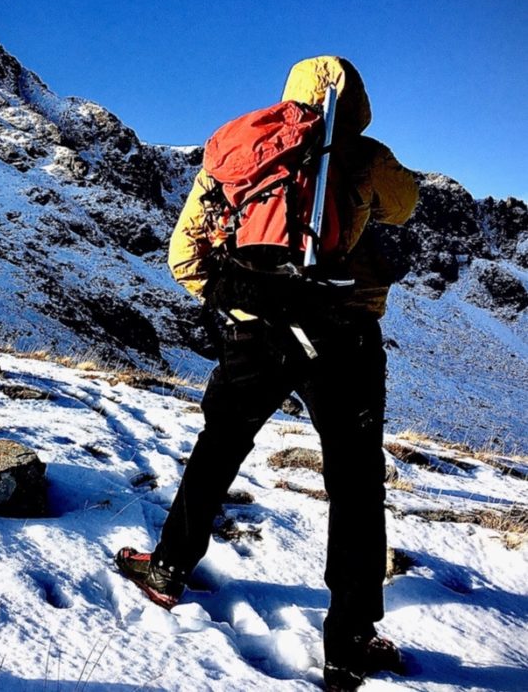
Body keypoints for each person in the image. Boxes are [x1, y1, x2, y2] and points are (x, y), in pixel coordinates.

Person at [114, 56, 419, 690]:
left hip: (254, 332)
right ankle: (350, 641)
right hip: (343, 339)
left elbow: (184, 256)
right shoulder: (367, 157)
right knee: (357, 482)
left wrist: (243, 302)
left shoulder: (240, 152)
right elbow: (406, 206)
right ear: (357, 100)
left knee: (219, 448)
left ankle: (169, 570)